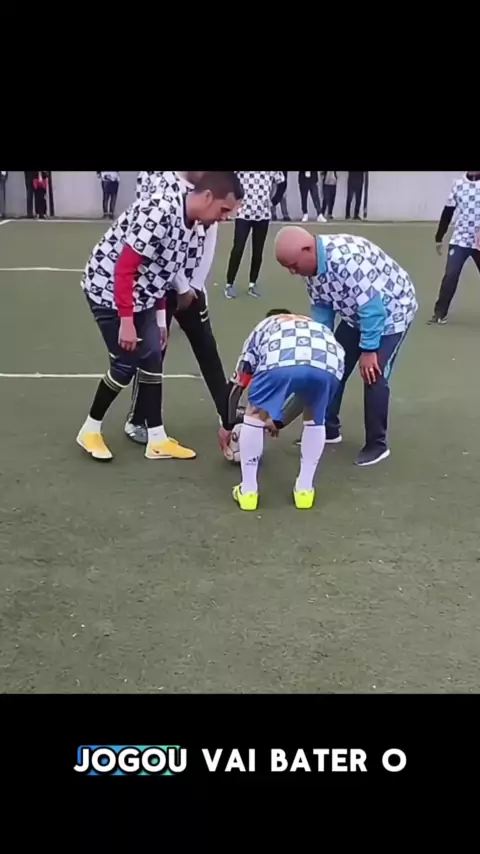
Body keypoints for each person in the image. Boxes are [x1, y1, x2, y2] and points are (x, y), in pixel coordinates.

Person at [76, 171, 243, 463]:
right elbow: (125, 268)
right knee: (125, 364)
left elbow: (163, 273)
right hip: (107, 291)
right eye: (224, 209)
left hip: (144, 295)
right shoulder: (160, 211)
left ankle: (156, 439)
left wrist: (161, 320)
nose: (225, 218)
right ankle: (89, 430)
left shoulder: (194, 226)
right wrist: (127, 322)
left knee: (153, 355)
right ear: (207, 197)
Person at [274, 226, 418, 466]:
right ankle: (329, 429)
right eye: (288, 267)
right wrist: (322, 346)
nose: (292, 272)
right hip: (355, 315)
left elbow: (373, 310)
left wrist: (369, 350)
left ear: (308, 249)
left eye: (294, 265)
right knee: (333, 365)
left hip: (391, 312)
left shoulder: (348, 260)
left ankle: (377, 444)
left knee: (373, 374)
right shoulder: (311, 268)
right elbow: (322, 308)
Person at [125, 170, 238, 444]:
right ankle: (138, 419)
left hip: (191, 288)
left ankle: (227, 413)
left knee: (206, 347)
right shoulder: (156, 180)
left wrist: (195, 285)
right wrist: (181, 285)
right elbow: (155, 244)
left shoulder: (211, 187)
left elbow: (210, 236)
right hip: (158, 286)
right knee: (154, 352)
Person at [218, 309, 345, 510]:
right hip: (330, 362)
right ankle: (305, 491)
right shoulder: (312, 325)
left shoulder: (263, 328)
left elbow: (238, 383)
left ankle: (248, 492)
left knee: (255, 414)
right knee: (314, 416)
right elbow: (303, 398)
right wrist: (278, 422)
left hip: (281, 359)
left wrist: (227, 424)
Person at [428, 171, 480, 325]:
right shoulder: (458, 185)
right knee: (450, 275)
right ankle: (440, 313)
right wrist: (439, 237)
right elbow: (448, 212)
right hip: (460, 240)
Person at [224, 171, 284, 299]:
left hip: (263, 214)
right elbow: (228, 176)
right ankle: (229, 284)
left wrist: (274, 201)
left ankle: (252, 284)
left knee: (258, 251)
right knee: (238, 248)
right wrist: (235, 198)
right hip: (243, 214)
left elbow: (282, 183)